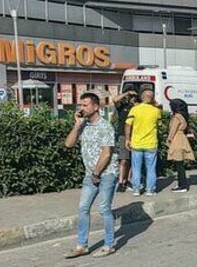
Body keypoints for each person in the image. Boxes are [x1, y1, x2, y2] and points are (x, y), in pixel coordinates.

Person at [63, 92, 119, 258]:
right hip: (90, 174)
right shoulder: (84, 126)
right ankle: (82, 245)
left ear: (96, 107)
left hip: (106, 174)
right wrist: (77, 125)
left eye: (85, 105)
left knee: (104, 209)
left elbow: (107, 152)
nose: (82, 108)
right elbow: (68, 144)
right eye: (81, 105)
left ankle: (109, 245)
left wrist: (97, 172)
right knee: (83, 208)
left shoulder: (105, 126)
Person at [125, 89, 162, 197]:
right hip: (151, 143)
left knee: (136, 168)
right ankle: (150, 190)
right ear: (152, 98)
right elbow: (159, 125)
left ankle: (136, 189)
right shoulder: (156, 111)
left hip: (136, 143)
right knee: (151, 168)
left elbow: (128, 124)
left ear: (141, 97)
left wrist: (128, 139)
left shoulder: (134, 109)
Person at [111, 89, 137, 192]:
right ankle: (121, 181)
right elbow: (114, 100)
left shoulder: (136, 108)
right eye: (131, 96)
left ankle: (128, 180)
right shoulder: (122, 106)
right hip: (123, 135)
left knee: (132, 160)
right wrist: (127, 93)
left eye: (134, 96)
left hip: (135, 136)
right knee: (123, 159)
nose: (132, 98)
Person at [167, 99, 194, 193]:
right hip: (182, 138)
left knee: (179, 164)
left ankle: (182, 185)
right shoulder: (183, 116)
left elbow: (173, 130)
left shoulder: (177, 117)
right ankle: (182, 184)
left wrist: (169, 140)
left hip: (177, 139)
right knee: (180, 163)